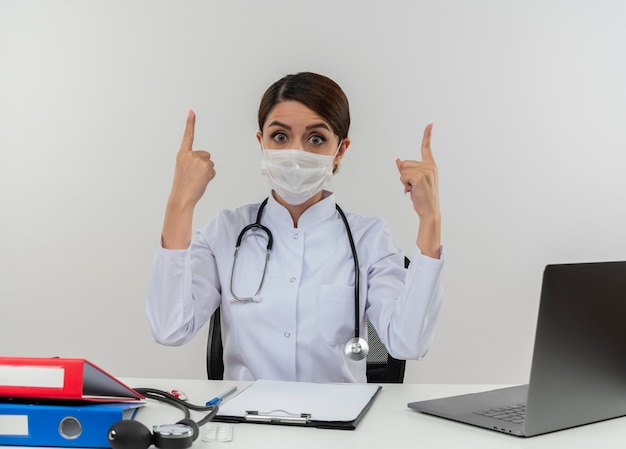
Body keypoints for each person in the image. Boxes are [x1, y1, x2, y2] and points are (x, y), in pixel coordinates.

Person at [146, 72, 444, 383]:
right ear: (262, 143)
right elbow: (170, 328)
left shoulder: (368, 239)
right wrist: (180, 203)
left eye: (316, 139)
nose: (296, 153)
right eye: (280, 136)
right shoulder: (226, 232)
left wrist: (430, 220)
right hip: (246, 423)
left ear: (340, 150)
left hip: (337, 424)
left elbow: (407, 342)